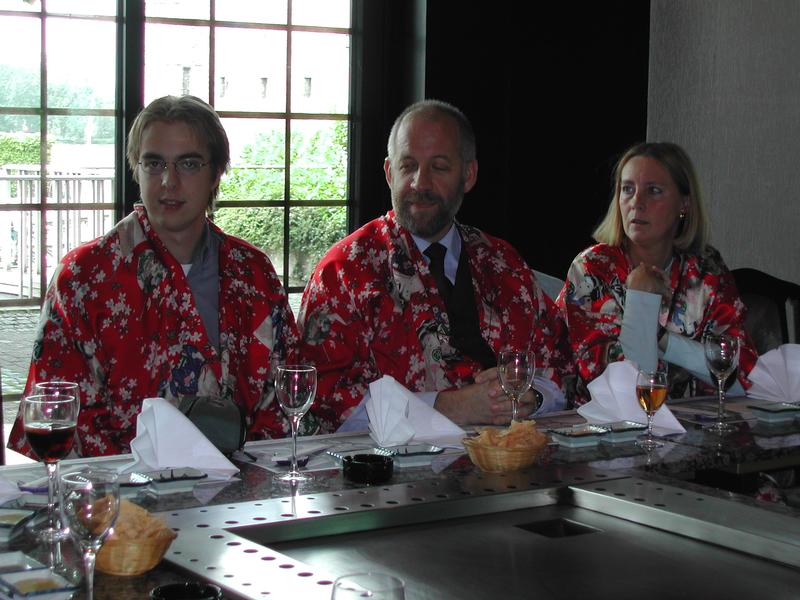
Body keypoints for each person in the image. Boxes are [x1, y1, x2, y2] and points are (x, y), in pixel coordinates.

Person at [9, 95, 301, 458]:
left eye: (189, 164)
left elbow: (290, 394)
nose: (169, 181)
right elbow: (57, 412)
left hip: (243, 493)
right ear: (136, 168)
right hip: (120, 500)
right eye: (154, 163)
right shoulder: (84, 278)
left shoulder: (253, 274)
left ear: (216, 173)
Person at [298, 99, 570, 432]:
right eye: (408, 166)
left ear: (468, 175)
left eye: (439, 167)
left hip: (511, 462)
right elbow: (322, 399)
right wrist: (447, 407)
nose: (420, 183)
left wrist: (533, 396)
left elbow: (559, 366)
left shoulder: (503, 263)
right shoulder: (345, 271)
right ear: (388, 172)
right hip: (394, 474)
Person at [557, 142, 757, 403]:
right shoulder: (593, 268)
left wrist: (663, 340)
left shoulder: (705, 268)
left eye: (653, 191)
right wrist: (641, 300)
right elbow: (624, 392)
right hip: (605, 434)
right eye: (627, 189)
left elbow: (738, 375)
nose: (637, 203)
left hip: (689, 428)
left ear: (683, 204)